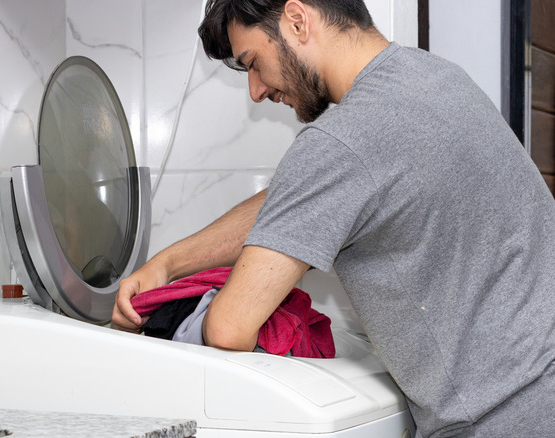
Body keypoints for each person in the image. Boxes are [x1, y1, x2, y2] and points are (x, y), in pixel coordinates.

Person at [112, 0, 555, 436]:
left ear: (298, 20)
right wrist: (169, 263)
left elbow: (229, 328)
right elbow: (301, 200)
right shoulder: (434, 78)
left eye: (253, 63)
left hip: (505, 417)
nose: (256, 90)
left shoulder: (342, 142)